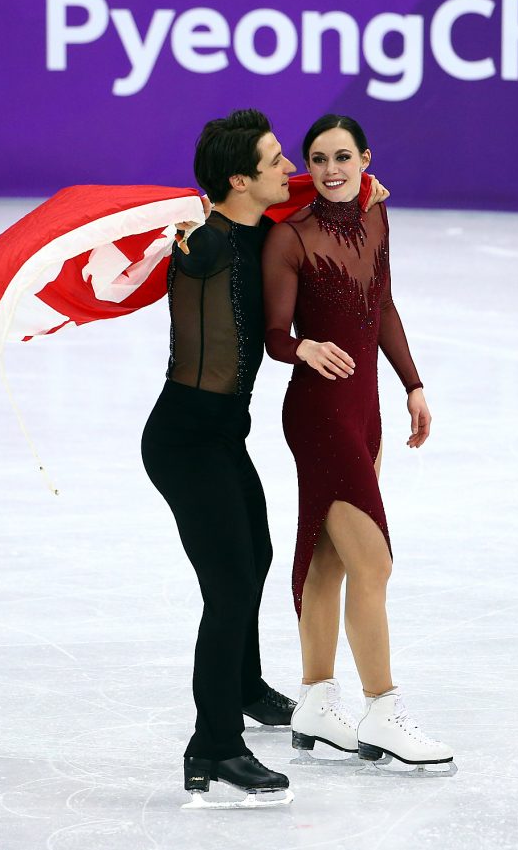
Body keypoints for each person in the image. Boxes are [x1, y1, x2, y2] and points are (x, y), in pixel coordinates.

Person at [141, 109, 387, 807]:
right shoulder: (211, 245)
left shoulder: (261, 228)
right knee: (229, 587)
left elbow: (317, 193)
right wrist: (185, 246)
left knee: (258, 552)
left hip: (223, 437)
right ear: (240, 179)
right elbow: (193, 258)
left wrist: (364, 184)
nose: (291, 170)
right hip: (185, 442)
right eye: (277, 160)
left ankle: (244, 686)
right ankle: (213, 745)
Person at [262, 114, 454, 771]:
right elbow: (275, 334)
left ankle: (316, 698)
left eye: (343, 156)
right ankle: (384, 708)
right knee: (373, 562)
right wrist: (303, 346)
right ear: (307, 168)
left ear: (364, 158)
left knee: (330, 560)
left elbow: (384, 305)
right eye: (318, 159)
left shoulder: (376, 217)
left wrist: (413, 383)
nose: (332, 168)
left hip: (363, 410)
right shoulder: (291, 238)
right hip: (318, 414)